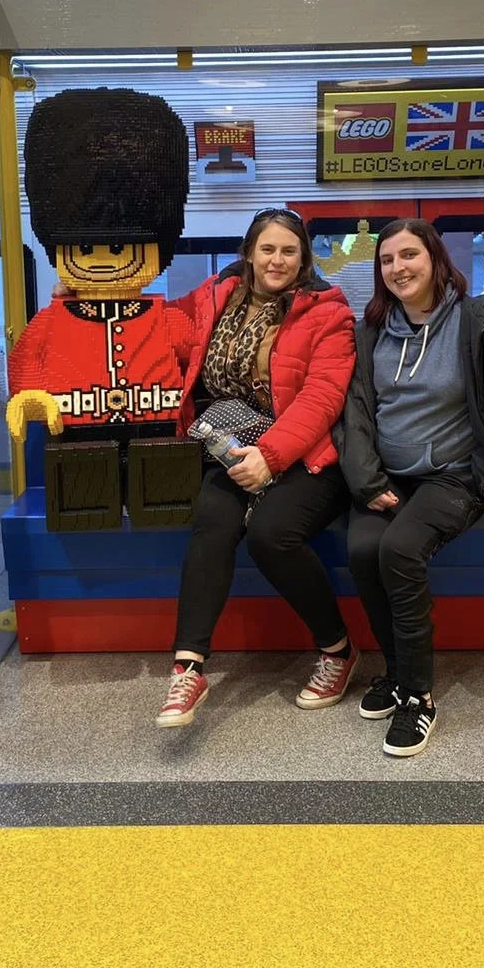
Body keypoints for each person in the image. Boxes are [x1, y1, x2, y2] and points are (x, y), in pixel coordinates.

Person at [335, 219, 484, 757]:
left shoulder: (479, 320)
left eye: (409, 255)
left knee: (398, 550)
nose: (398, 268)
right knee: (363, 550)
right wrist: (367, 482)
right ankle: (395, 673)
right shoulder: (369, 331)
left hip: (455, 474)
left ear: (436, 260)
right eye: (387, 260)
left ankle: (419, 696)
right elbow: (357, 415)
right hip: (388, 477)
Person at [156, 207, 358, 727]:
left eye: (289, 250)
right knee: (213, 524)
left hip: (306, 454)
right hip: (229, 446)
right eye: (267, 248)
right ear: (249, 252)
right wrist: (94, 304)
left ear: (303, 257)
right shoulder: (215, 296)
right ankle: (188, 668)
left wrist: (268, 459)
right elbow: (164, 326)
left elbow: (322, 398)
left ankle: (337, 651)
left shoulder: (328, 312)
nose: (277, 260)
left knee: (272, 535)